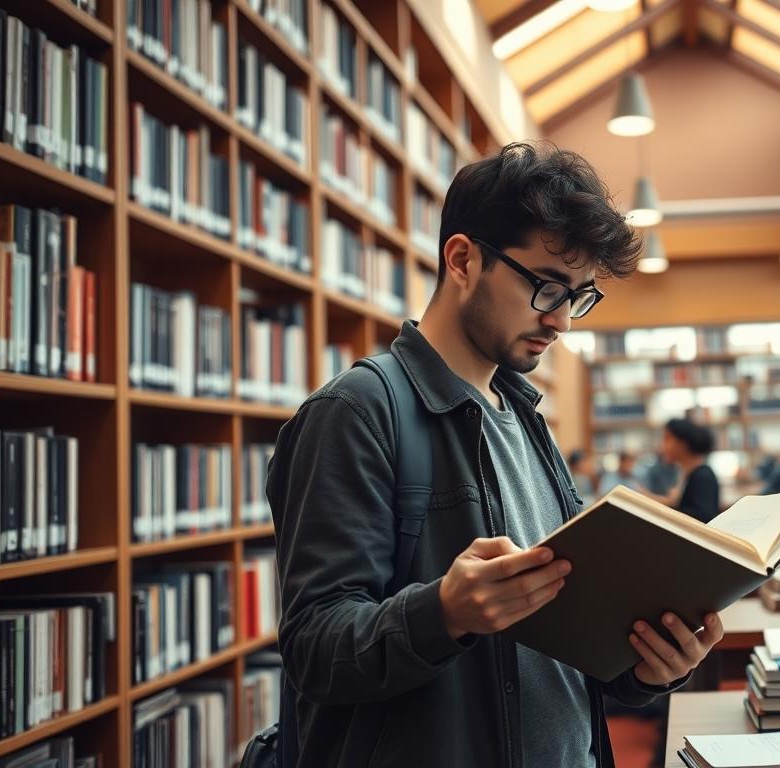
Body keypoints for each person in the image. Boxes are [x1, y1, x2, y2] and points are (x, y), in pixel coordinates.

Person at [265, 142, 724, 767]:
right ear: (462, 259)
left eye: (580, 296)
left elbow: (566, 641)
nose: (562, 322)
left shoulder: (528, 418)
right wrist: (444, 612)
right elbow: (314, 648)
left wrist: (646, 666)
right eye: (546, 287)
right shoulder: (357, 413)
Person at [647, 418, 720, 523]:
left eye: (667, 438)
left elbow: (702, 517)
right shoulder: (688, 474)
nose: (662, 446)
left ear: (683, 443)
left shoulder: (702, 475)